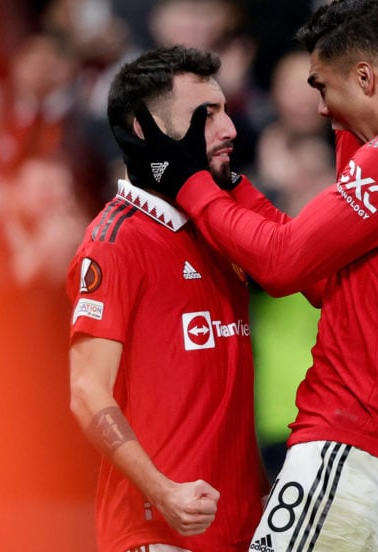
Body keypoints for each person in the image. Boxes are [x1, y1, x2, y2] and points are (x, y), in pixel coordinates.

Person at [119, 0, 378, 551]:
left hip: (356, 434)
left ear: (367, 76)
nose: (323, 109)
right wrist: (231, 186)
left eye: (324, 86)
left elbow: (280, 265)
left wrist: (189, 183)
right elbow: (324, 277)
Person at [66, 46, 266, 551]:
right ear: (145, 130)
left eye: (227, 110)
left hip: (240, 528)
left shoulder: (219, 224)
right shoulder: (115, 242)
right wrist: (164, 491)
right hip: (158, 532)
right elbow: (87, 392)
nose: (230, 130)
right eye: (208, 115)